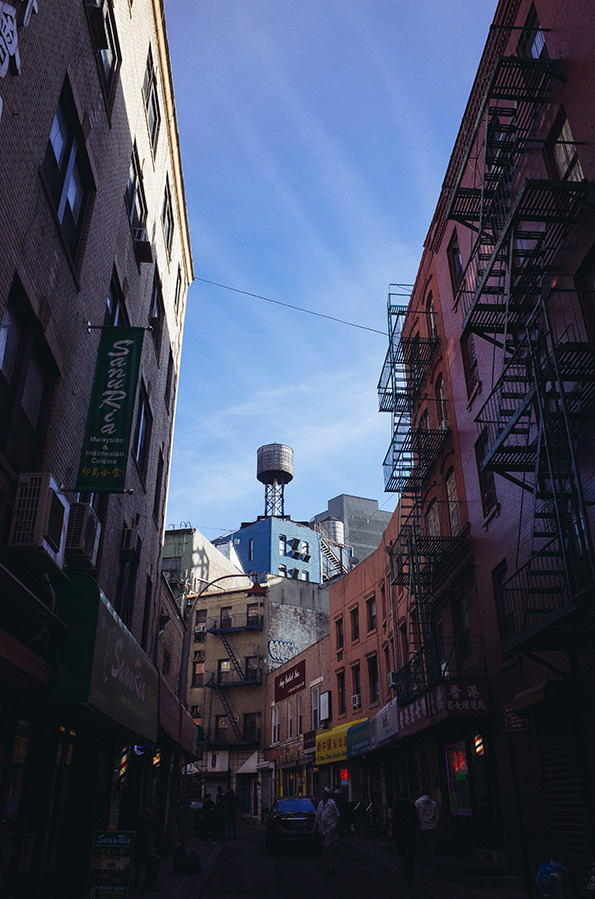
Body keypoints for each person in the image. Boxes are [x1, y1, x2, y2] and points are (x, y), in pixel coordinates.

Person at [393, 791, 418, 882]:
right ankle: (410, 871)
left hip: (400, 833)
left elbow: (394, 821)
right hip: (411, 833)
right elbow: (416, 820)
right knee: (411, 853)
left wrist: (393, 834)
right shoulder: (412, 806)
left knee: (402, 852)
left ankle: (406, 869)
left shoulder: (397, 807)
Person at [134, 808, 161, 893]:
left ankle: (149, 883)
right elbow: (141, 842)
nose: (150, 818)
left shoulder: (143, 824)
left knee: (153, 862)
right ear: (145, 815)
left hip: (142, 850)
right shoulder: (141, 825)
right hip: (140, 852)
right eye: (149, 816)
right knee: (156, 861)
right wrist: (151, 849)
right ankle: (148, 884)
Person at [315, 787, 340, 876]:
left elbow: (337, 816)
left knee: (327, 846)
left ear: (327, 795)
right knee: (325, 849)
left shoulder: (332, 804)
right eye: (321, 794)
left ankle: (331, 866)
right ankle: (329, 867)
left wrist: (335, 827)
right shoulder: (320, 804)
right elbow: (317, 817)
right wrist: (314, 828)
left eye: (324, 794)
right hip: (322, 829)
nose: (322, 795)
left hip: (330, 828)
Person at [415, 789, 439, 876]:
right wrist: (434, 825)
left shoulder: (418, 803)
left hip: (421, 829)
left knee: (419, 850)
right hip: (432, 828)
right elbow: (437, 816)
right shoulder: (433, 803)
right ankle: (433, 869)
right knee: (433, 851)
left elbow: (415, 816)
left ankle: (424, 868)